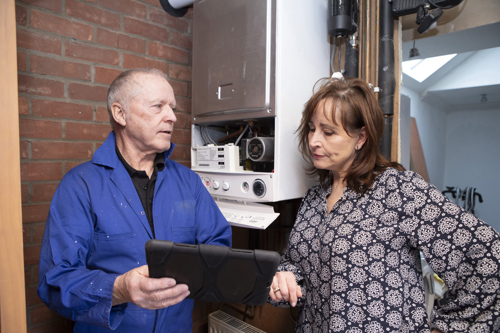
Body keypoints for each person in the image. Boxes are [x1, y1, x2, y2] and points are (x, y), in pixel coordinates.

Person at [268, 76, 500, 332]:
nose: (313, 141)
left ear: (361, 137)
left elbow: (488, 257)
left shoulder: (398, 191)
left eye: (328, 132)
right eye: (312, 128)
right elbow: (296, 262)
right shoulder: (313, 199)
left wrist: (444, 329)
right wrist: (286, 275)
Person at [37, 68, 232, 332]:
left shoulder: (189, 183)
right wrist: (119, 289)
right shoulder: (80, 186)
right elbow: (56, 282)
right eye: (158, 106)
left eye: (172, 107)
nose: (172, 117)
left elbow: (218, 247)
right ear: (120, 114)